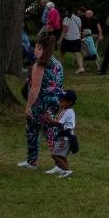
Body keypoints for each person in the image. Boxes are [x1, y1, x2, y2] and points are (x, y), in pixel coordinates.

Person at [17, 39, 64, 170]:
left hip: (41, 104)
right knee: (32, 129)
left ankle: (60, 164)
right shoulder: (57, 63)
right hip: (54, 102)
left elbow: (35, 88)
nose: (34, 50)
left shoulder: (40, 64)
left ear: (42, 49)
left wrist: (28, 106)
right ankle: (32, 161)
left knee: (49, 132)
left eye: (37, 47)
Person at [46, 89, 76, 178]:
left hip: (65, 137)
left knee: (55, 155)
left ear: (69, 102)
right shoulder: (69, 111)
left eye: (61, 101)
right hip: (68, 136)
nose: (59, 102)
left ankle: (67, 171)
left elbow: (58, 123)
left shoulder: (66, 112)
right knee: (62, 156)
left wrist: (49, 118)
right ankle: (66, 171)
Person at [60, 9, 84, 74]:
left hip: (67, 38)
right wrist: (79, 37)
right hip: (76, 38)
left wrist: (60, 40)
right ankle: (81, 67)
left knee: (62, 52)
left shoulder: (66, 19)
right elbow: (79, 29)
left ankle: (59, 67)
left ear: (67, 12)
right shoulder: (78, 18)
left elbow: (64, 31)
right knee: (78, 53)